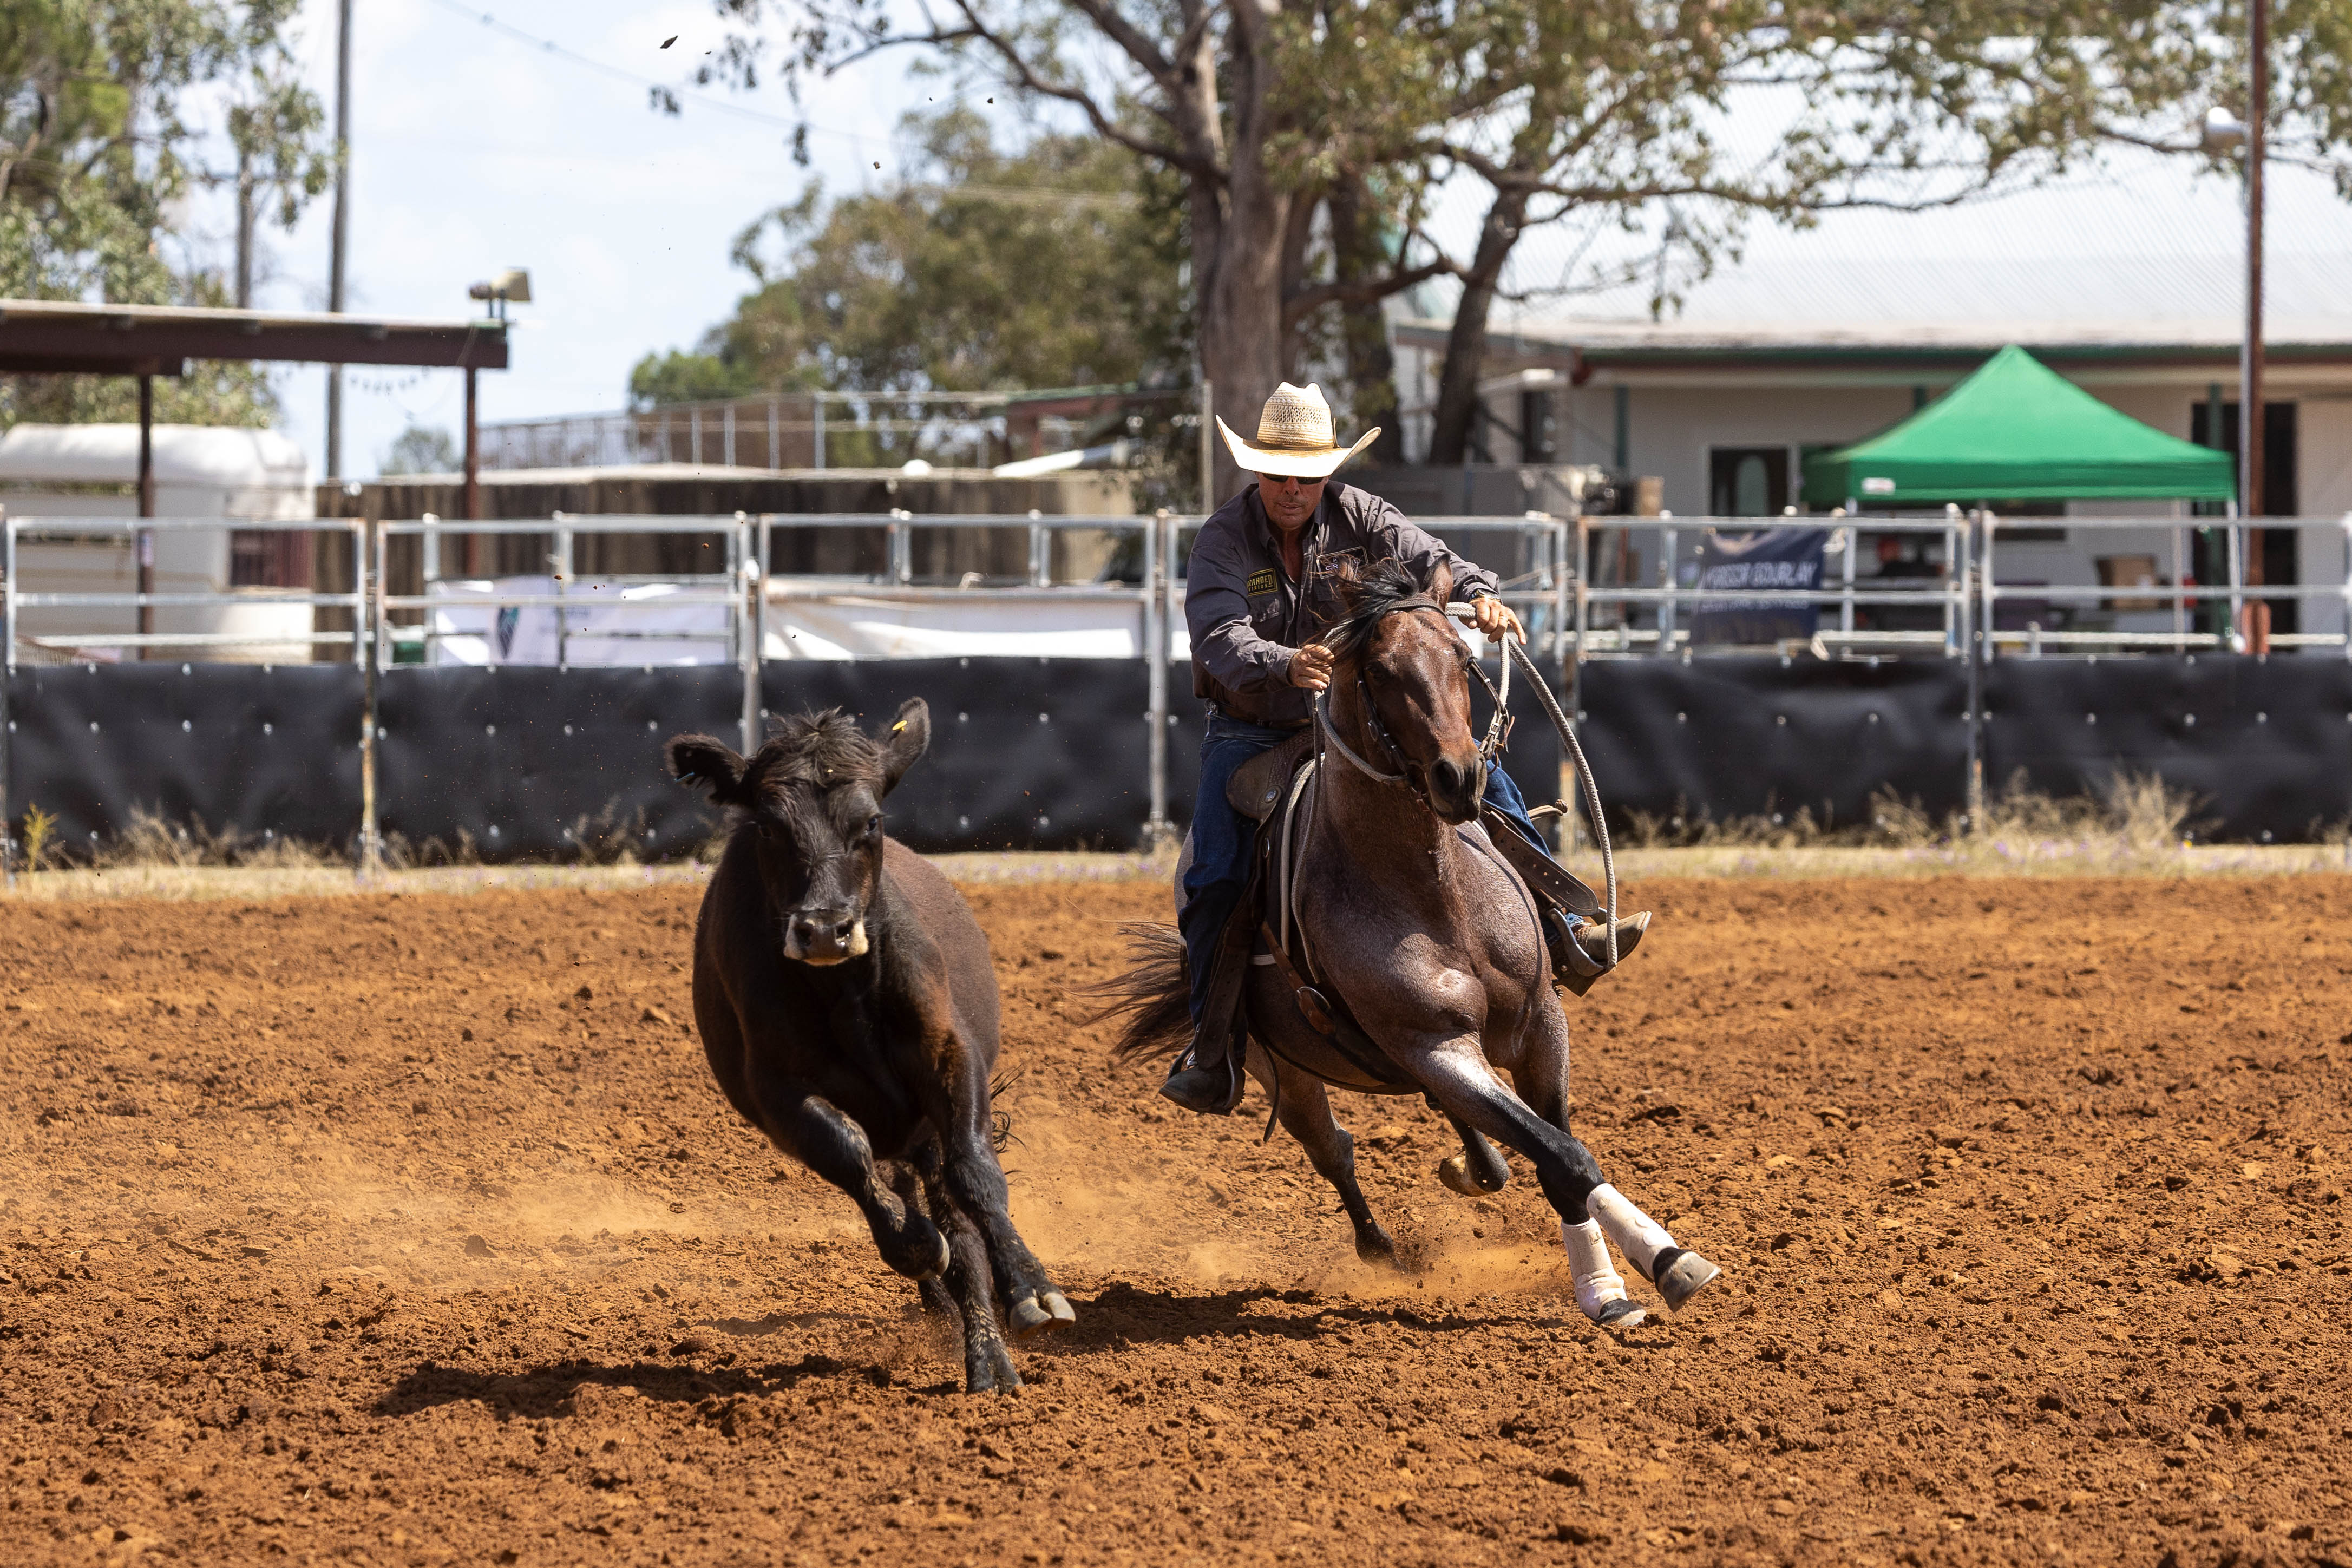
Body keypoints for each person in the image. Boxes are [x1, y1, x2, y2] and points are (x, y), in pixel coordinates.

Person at [1163, 382, 1650, 1113]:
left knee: (1477, 778)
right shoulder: (1222, 540)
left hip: (1353, 723)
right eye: (1279, 474)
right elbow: (1218, 634)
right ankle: (1213, 1047)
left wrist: (1480, 593)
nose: (1293, 489)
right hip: (1254, 729)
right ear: (1258, 470)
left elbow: (1434, 560)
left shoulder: (1362, 515)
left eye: (1306, 475)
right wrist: (1283, 663)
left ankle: (1566, 927)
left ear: (1326, 473)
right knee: (1214, 875)